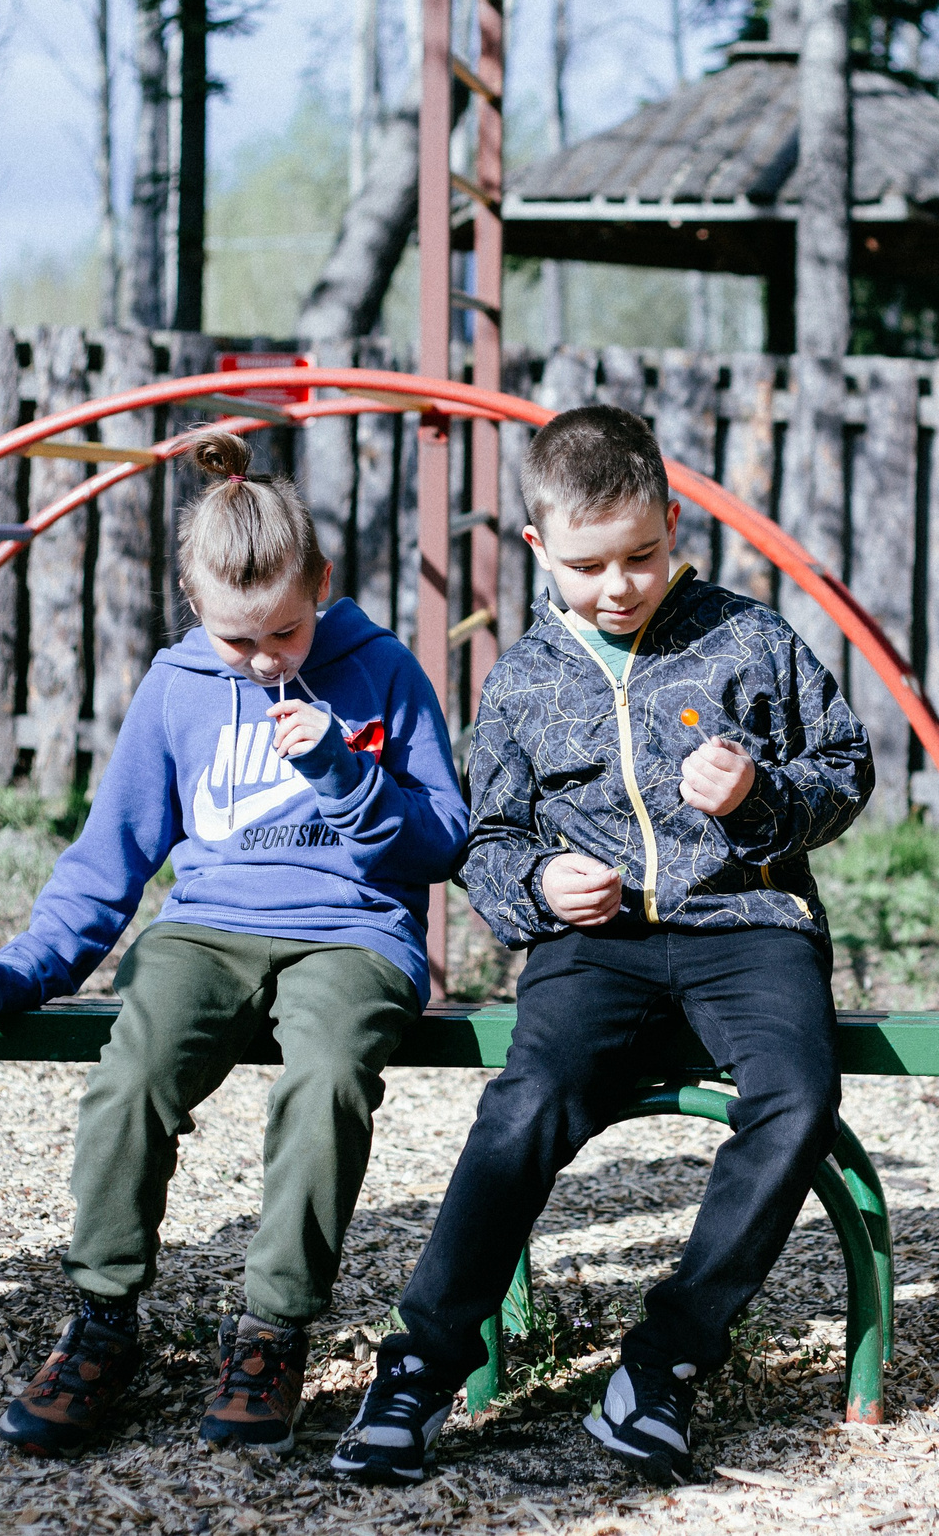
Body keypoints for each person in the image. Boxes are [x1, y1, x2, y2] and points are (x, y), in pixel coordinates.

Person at [332, 405, 872, 1487]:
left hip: (747, 928)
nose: (618, 585)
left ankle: (665, 1362)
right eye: (589, 566)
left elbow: (846, 769)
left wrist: (762, 792)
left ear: (673, 524)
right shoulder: (524, 679)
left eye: (642, 555)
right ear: (538, 549)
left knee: (799, 1101)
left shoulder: (748, 638)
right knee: (525, 1106)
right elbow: (488, 843)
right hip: (600, 946)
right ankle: (420, 1367)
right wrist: (540, 883)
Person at [0, 431, 468, 1458]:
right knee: (132, 1069)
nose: (266, 659)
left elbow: (444, 838)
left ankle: (272, 1331)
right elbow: (112, 859)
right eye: (239, 641)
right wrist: (23, 970)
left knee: (324, 1080)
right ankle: (102, 1321)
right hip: (208, 926)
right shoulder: (177, 687)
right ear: (195, 604)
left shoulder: (383, 670)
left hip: (350, 932)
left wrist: (347, 777)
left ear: (318, 582)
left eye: (284, 629)